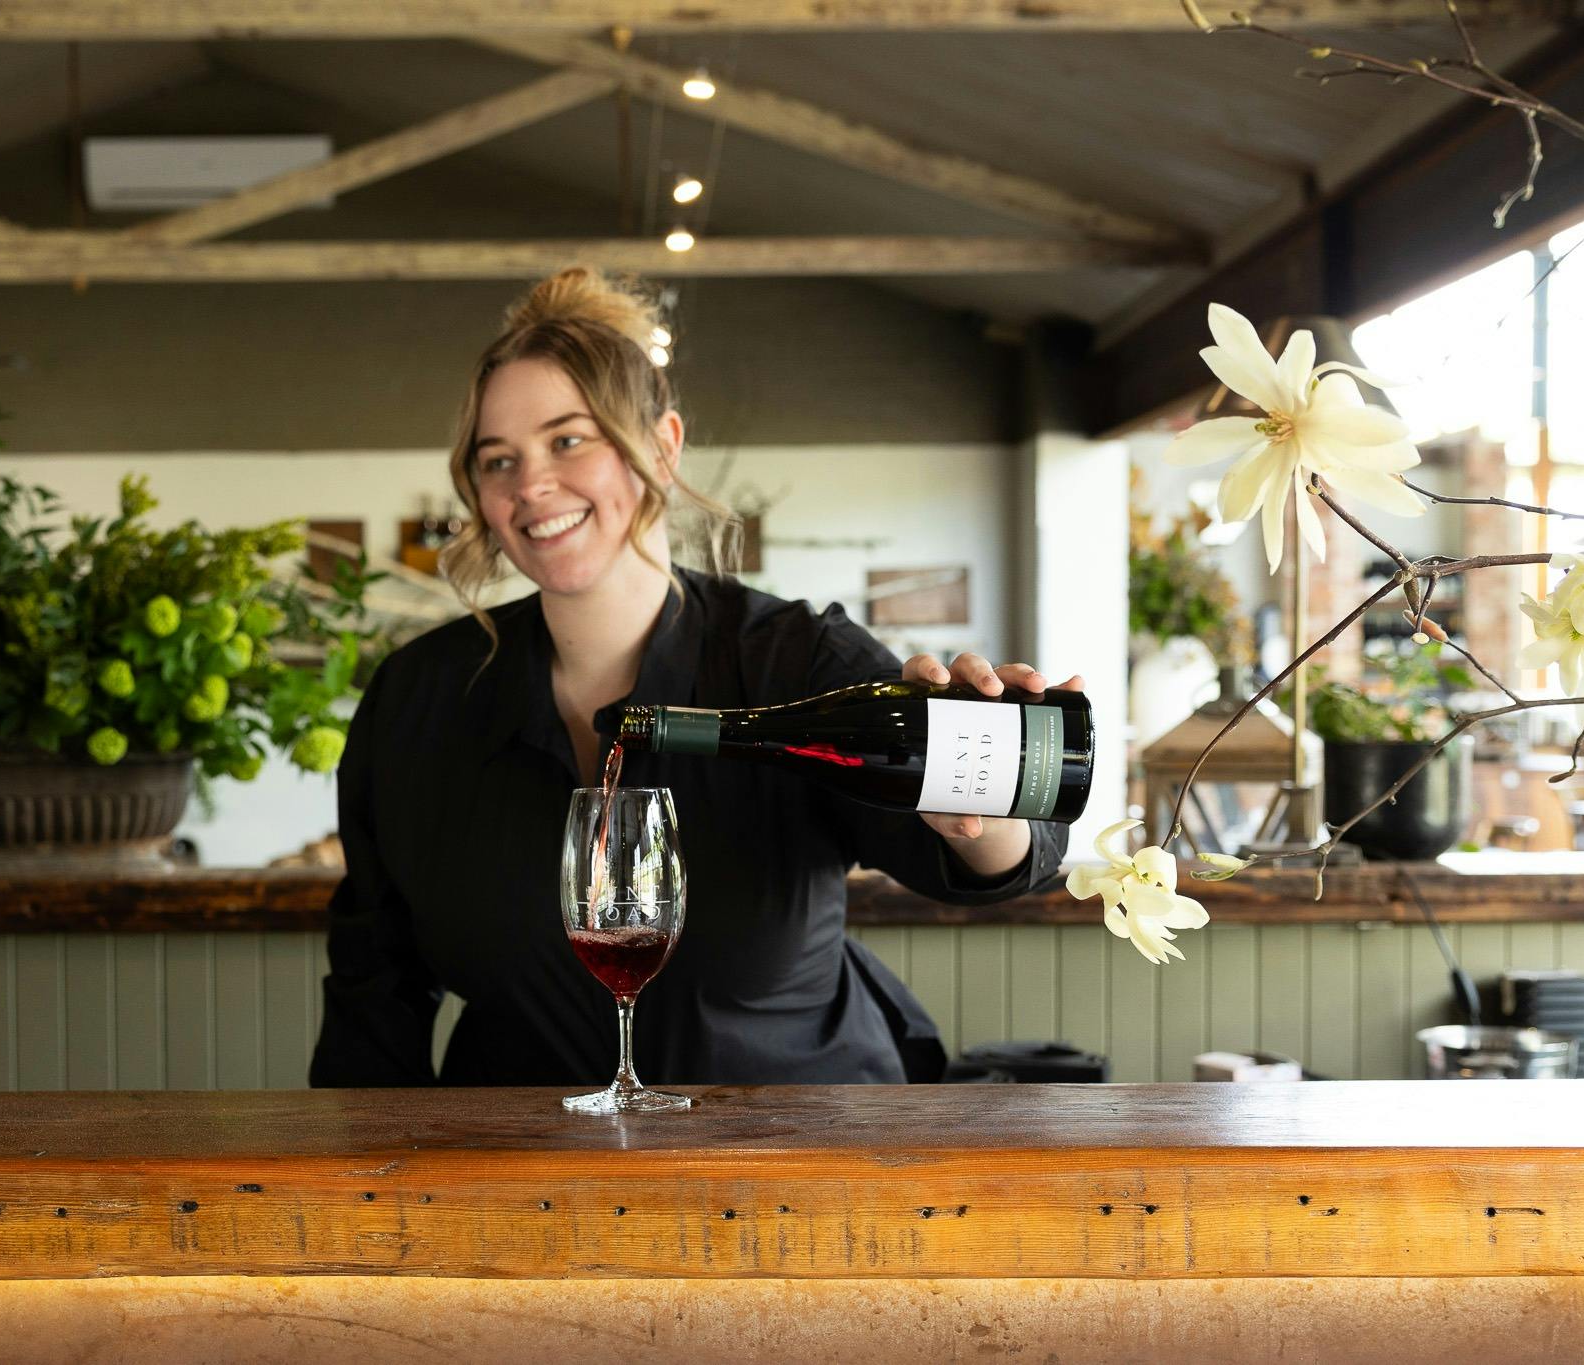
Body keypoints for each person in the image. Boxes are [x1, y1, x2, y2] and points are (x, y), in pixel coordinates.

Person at [310, 267, 1076, 1088]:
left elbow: (996, 865)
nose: (530, 484)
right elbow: (375, 988)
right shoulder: (418, 700)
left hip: (804, 1157)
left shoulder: (793, 659)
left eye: (569, 440)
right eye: (499, 459)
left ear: (662, 447)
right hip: (525, 1169)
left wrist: (980, 806)